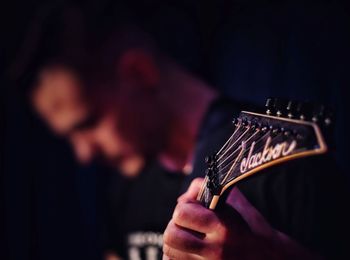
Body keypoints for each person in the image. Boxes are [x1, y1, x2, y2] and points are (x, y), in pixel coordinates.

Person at [28, 23, 349, 260]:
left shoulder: (282, 161)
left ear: (139, 72)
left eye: (89, 123)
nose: (83, 153)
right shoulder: (126, 183)